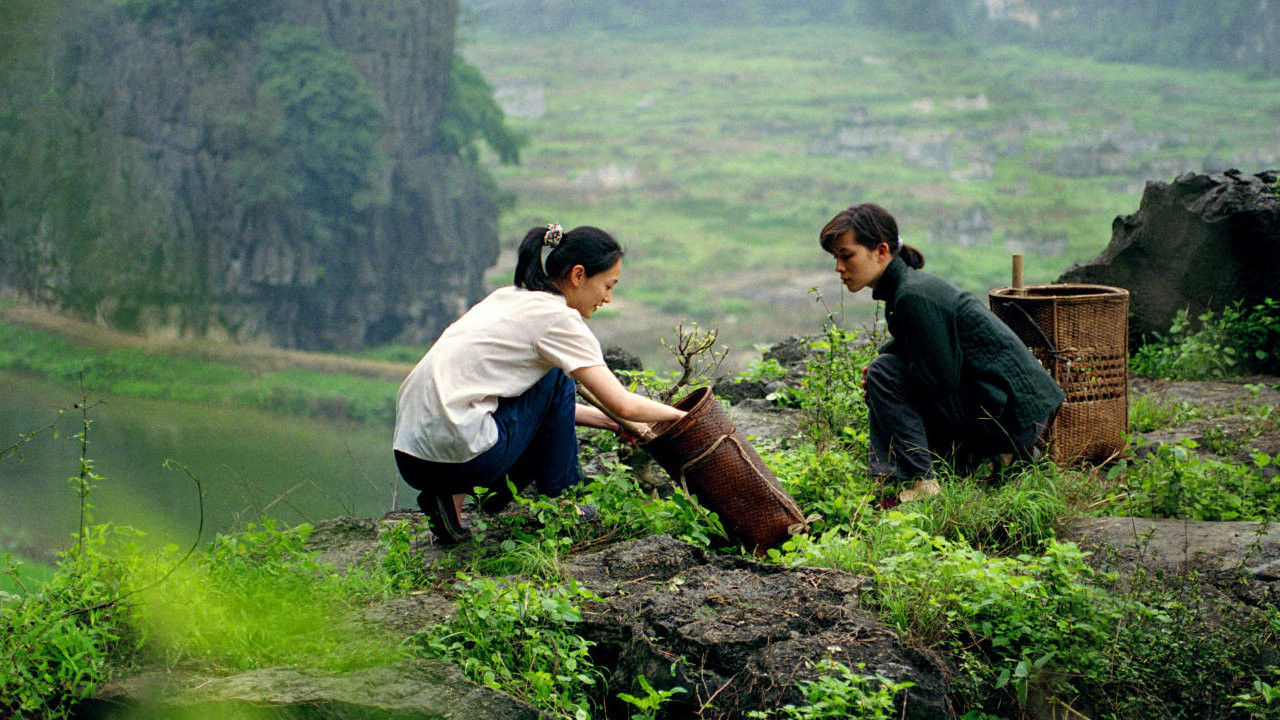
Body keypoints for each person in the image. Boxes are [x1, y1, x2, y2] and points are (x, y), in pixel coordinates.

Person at [393, 223, 686, 543]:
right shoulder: (559, 319)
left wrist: (612, 424)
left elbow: (543, 409)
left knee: (498, 394)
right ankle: (565, 504)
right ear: (578, 275)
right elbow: (623, 403)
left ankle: (451, 507)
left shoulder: (507, 297)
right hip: (461, 459)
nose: (608, 298)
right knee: (558, 375)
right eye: (608, 285)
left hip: (411, 456)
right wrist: (683, 418)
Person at [818, 203, 1064, 506]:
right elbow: (917, 350)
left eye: (846, 255)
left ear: (880, 251)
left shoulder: (912, 295)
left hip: (1012, 416)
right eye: (836, 258)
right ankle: (900, 475)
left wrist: (884, 385)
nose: (839, 268)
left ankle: (922, 479)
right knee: (883, 371)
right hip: (1005, 410)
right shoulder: (905, 291)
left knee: (884, 374)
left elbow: (939, 381)